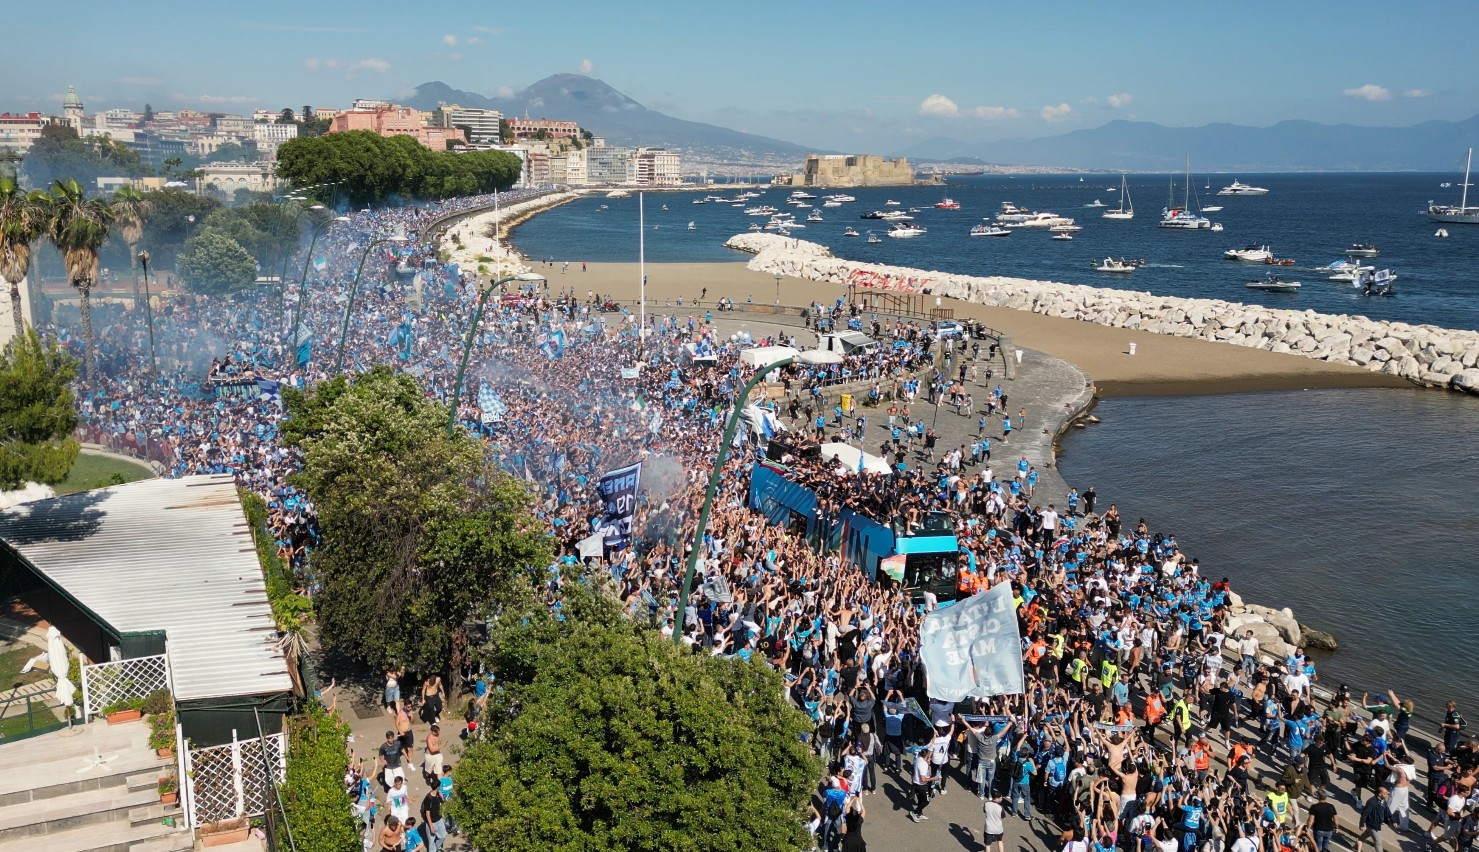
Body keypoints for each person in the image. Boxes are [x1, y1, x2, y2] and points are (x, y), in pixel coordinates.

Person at [1355, 787, 1389, 852]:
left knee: (1367, 833)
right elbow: (1365, 813)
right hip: (1372, 824)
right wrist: (1361, 824)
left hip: (1376, 824)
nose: (1387, 795)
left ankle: (1359, 841)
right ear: (1380, 794)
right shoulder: (1371, 802)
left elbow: (1386, 810)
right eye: (1385, 794)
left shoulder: (1382, 800)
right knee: (1378, 842)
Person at [909, 746, 937, 822]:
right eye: (929, 755)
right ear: (927, 756)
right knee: (926, 801)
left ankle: (920, 813)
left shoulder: (918, 759)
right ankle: (915, 812)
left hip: (916, 783)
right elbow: (923, 779)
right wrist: (934, 778)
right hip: (921, 785)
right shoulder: (923, 764)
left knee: (920, 800)